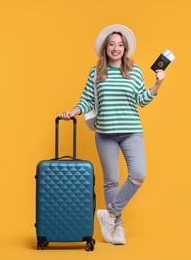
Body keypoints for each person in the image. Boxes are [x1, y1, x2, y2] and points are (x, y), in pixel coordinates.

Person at [59, 24, 166, 245]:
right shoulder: (97, 72)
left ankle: (109, 214)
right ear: (105, 48)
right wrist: (73, 111)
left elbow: (141, 100)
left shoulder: (134, 71)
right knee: (111, 182)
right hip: (105, 133)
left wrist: (157, 84)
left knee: (138, 174)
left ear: (125, 48)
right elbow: (87, 100)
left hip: (131, 131)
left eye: (120, 45)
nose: (116, 48)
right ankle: (117, 229)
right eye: (112, 44)